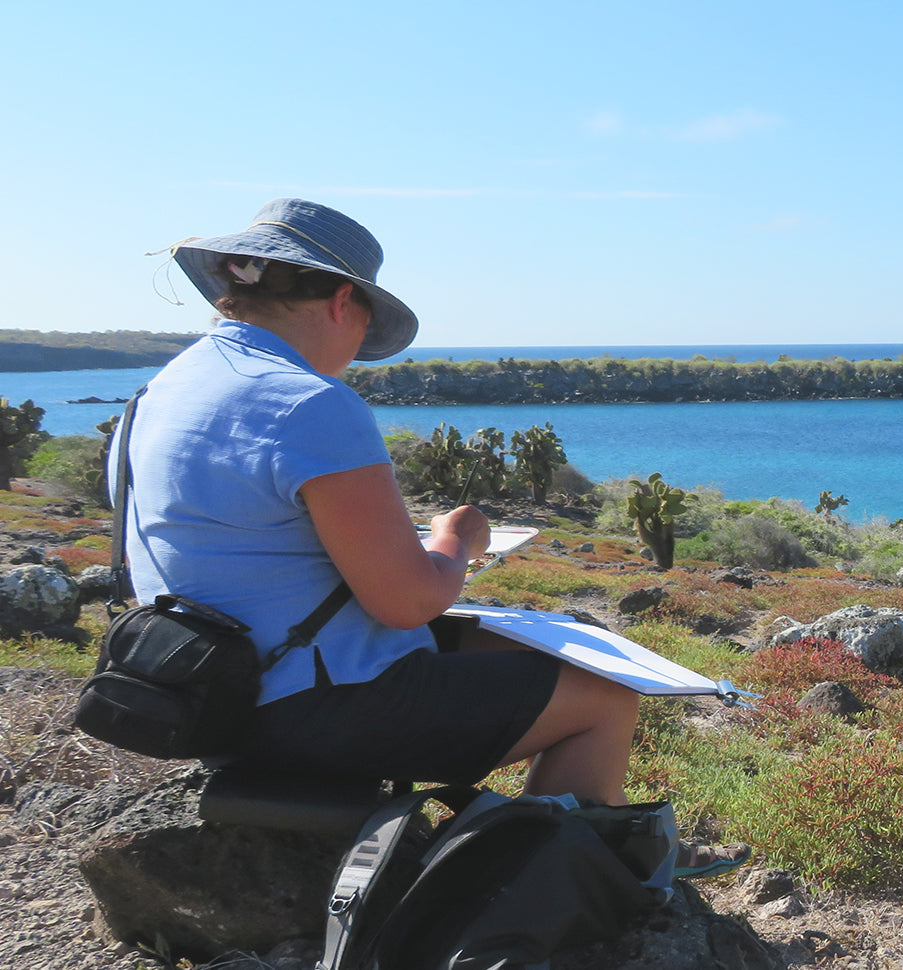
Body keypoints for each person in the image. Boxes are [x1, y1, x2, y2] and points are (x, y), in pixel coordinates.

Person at [127, 199, 745, 872]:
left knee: (523, 651)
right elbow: (408, 603)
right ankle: (551, 879)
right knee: (604, 695)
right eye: (366, 324)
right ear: (343, 302)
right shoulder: (310, 403)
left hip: (199, 689)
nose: (358, 348)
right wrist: (457, 540)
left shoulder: (159, 393)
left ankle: (571, 843)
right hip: (296, 708)